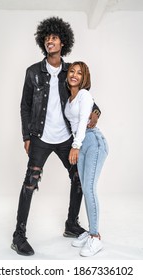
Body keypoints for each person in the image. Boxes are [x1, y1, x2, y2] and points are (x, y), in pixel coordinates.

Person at [11, 17, 101, 256]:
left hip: (65, 140)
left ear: (63, 42)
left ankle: (71, 224)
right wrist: (26, 136)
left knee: (78, 178)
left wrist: (96, 113)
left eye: (54, 37)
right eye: (46, 38)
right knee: (30, 183)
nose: (49, 40)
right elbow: (25, 106)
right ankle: (18, 235)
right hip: (40, 137)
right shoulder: (33, 72)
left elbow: (85, 97)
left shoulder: (69, 71)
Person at [65, 61, 108, 257]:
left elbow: (83, 120)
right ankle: (90, 231)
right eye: (72, 71)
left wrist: (75, 146)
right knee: (84, 187)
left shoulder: (84, 95)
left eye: (79, 73)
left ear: (84, 78)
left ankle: (95, 237)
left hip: (92, 142)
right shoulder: (69, 99)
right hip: (82, 142)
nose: (74, 75)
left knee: (89, 189)